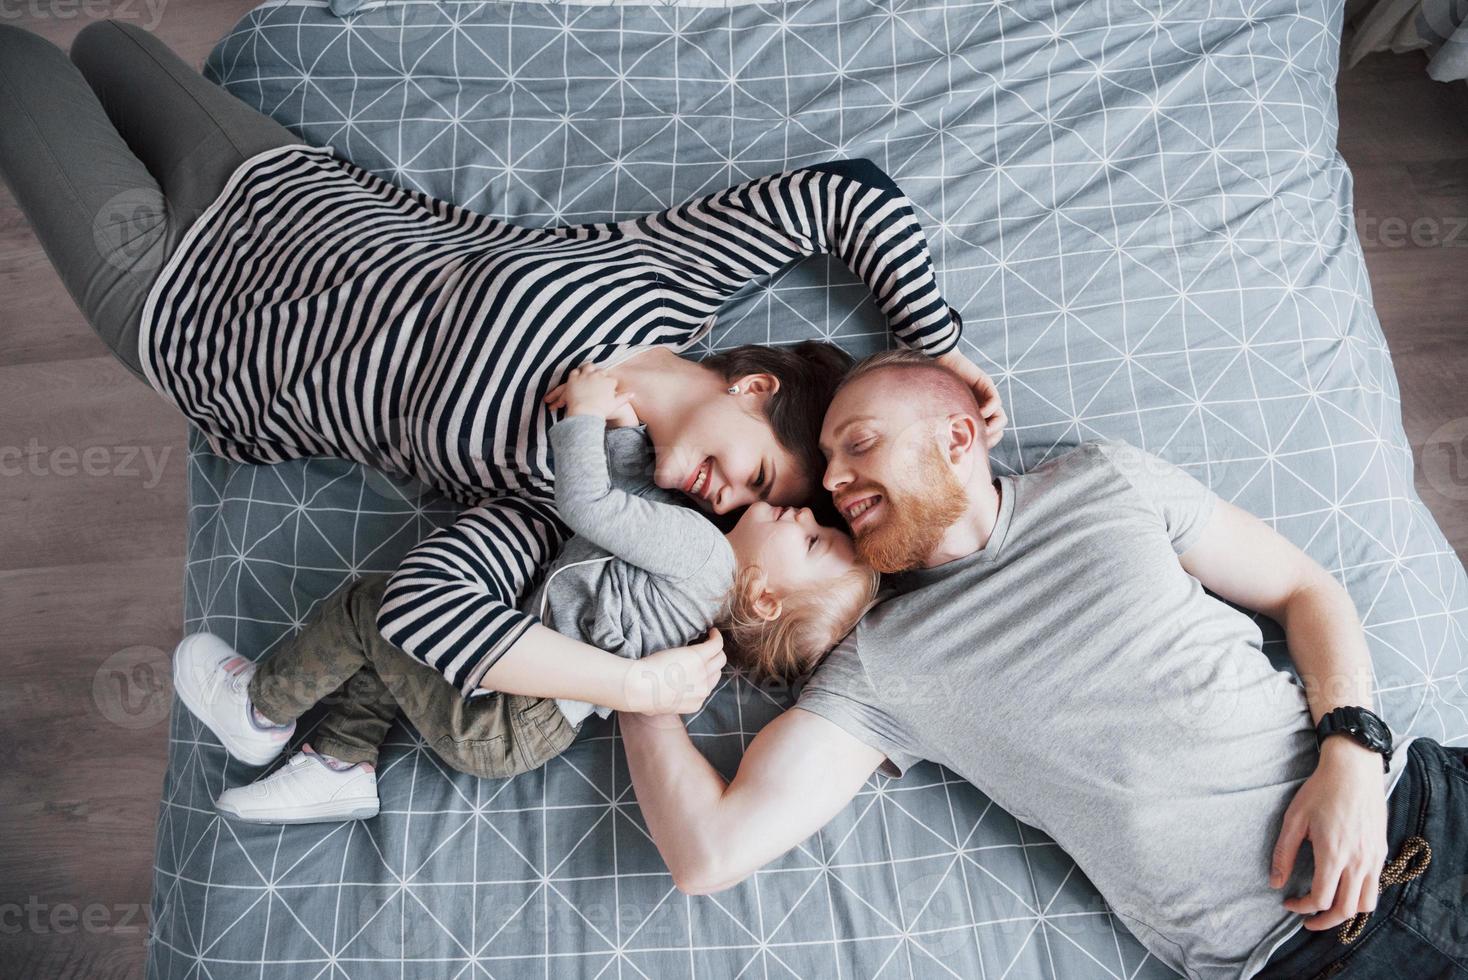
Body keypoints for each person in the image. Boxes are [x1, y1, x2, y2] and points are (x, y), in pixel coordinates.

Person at [0, 21, 1003, 700]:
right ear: (752, 387)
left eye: (727, 513)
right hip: (278, 186)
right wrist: (938, 350)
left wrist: (631, 684)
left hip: (191, 312)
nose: (715, 501)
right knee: (109, 41)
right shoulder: (664, 279)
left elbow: (425, 613)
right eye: (754, 475)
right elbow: (849, 196)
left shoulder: (561, 497)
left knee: (20, 65)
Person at [620, 349, 1467, 979]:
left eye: (859, 445)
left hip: (1423, 805)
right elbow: (708, 853)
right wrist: (636, 680)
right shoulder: (881, 665)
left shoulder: (1108, 480)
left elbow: (1305, 589)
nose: (833, 480)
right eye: (829, 465)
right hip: (1309, 956)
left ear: (957, 437)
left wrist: (1353, 752)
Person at [170, 364, 878, 824]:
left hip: (506, 714)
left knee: (372, 610)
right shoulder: (701, 589)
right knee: (399, 655)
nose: (802, 514)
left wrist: (586, 418)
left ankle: (260, 707)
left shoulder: (701, 557)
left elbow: (593, 509)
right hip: (530, 729)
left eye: (812, 540)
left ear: (762, 600)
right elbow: (632, 514)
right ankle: (341, 760)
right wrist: (629, 436)